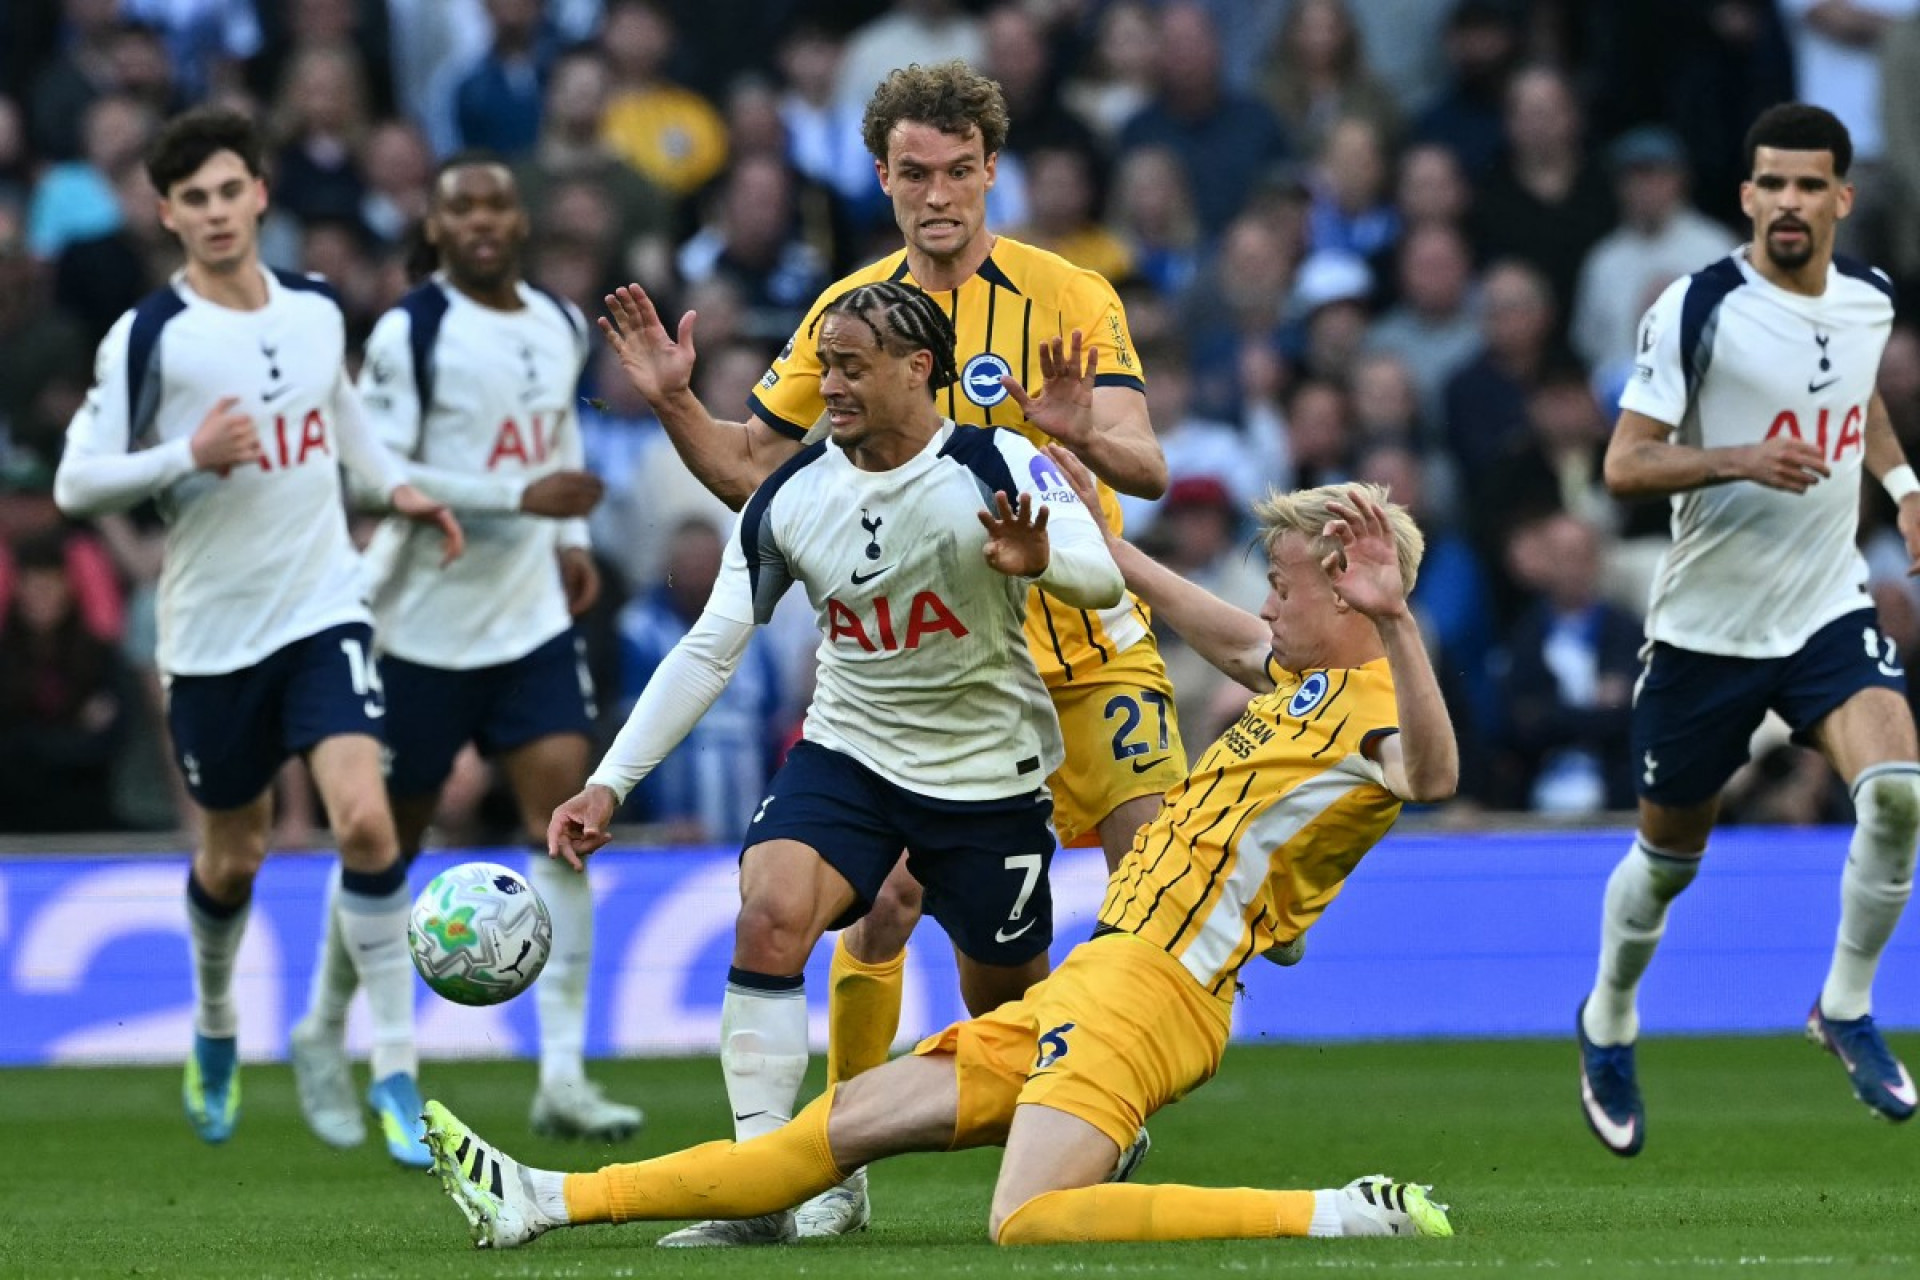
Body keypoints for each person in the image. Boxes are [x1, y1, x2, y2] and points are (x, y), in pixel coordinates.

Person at [419, 466, 1459, 1250]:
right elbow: (1230, 637)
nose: (1270, 606)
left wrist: (1399, 620)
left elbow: (1431, 774)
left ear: (1346, 587)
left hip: (1162, 992)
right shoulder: (1304, 682)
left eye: (1282, 585)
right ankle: (543, 1198)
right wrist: (1113, 554)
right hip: (1101, 975)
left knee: (1031, 1216)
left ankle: (1335, 1211)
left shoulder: (1376, 703)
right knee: (828, 1130)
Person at [596, 60, 1183, 1238]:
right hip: (944, 674)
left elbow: (1147, 465)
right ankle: (826, 1162)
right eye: (915, 173)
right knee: (873, 916)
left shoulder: (1067, 291)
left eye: (960, 172)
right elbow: (760, 476)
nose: (939, 196)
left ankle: (1102, 1104)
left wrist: (1079, 437)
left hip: (1086, 640)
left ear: (991, 173)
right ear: (881, 176)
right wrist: (673, 402)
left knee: (1152, 897)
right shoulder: (849, 314)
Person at [553, 278, 1124, 1246]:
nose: (832, 387)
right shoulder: (790, 491)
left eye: (852, 368)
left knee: (1007, 1028)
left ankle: (1090, 1110)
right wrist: (612, 779)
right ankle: (760, 1185)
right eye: (826, 367)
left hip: (986, 779)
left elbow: (1101, 574)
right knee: (770, 910)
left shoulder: (997, 461)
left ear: (918, 369)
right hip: (848, 754)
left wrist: (1041, 562)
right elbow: (709, 645)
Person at [50, 106, 463, 1164]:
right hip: (212, 636)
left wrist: (400, 489)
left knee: (366, 823)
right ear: (167, 213)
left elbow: (345, 421)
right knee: (233, 856)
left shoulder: (320, 308)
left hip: (322, 606)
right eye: (194, 198)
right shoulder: (151, 335)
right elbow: (76, 478)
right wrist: (185, 452)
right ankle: (217, 1023)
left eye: (231, 190)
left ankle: (400, 1071)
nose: (217, 212)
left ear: (261, 194)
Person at [1578, 103, 1920, 1158]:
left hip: (1823, 605)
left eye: (1809, 185)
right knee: (1668, 858)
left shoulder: (1870, 299)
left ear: (1840, 199)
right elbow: (1624, 464)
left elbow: (1857, 404)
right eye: (1771, 183)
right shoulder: (1699, 306)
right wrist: (1736, 456)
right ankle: (1609, 1016)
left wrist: (1905, 487)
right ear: (1746, 196)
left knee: (1901, 792)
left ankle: (1846, 1006)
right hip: (1706, 629)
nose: (1787, 202)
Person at [286, 153, 642, 1151]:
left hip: (527, 616)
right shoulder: (414, 330)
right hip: (418, 625)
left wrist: (567, 541)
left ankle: (564, 1072)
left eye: (496, 202)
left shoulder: (561, 322)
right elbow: (383, 476)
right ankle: (320, 1026)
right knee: (382, 844)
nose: (482, 220)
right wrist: (521, 502)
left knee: (568, 821)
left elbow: (556, 444)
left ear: (520, 219)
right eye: (461, 208)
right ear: (435, 229)